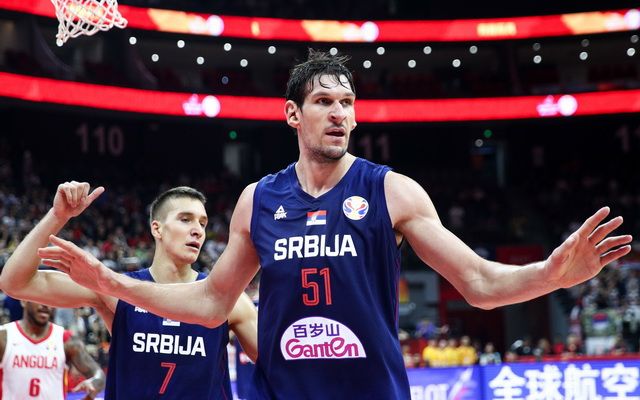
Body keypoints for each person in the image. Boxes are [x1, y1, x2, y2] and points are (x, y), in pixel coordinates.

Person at [34, 50, 632, 399]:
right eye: (324, 102)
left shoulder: (391, 190)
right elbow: (213, 303)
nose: (339, 113)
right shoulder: (257, 200)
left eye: (347, 103)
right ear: (293, 114)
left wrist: (552, 273)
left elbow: (478, 282)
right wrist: (112, 282)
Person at [0, 182, 258, 399]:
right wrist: (58, 216)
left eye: (203, 223)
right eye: (185, 219)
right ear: (157, 228)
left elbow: (275, 362)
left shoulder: (227, 300)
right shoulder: (111, 287)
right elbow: (15, 283)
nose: (198, 230)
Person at [0, 300, 105, 399]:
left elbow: (98, 374)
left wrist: (94, 382)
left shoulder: (66, 340)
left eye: (49, 300)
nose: (45, 305)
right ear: (24, 301)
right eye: (39, 299)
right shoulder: (4, 336)